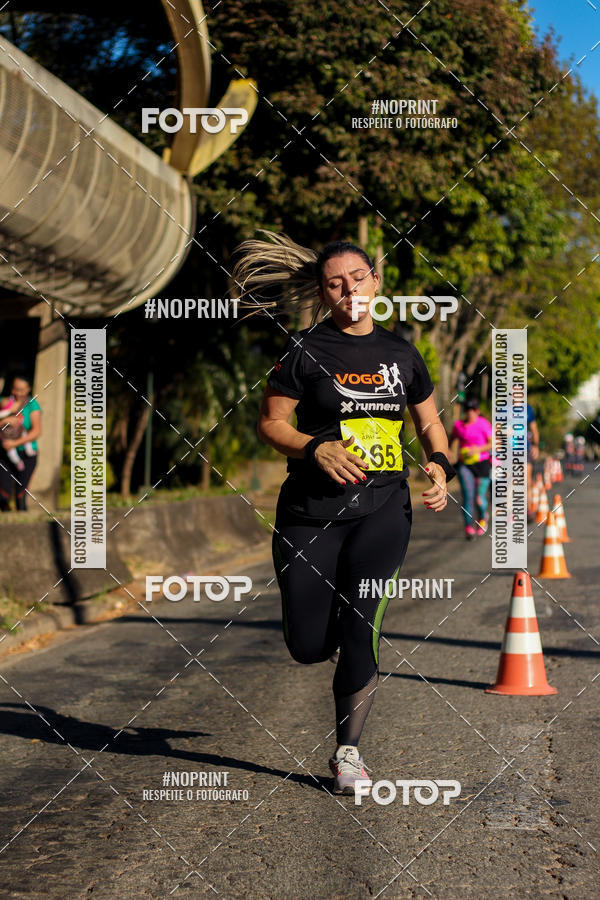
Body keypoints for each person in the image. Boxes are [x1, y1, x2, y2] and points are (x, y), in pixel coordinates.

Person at [234, 231, 455, 796]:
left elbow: (428, 420)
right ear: (323, 292)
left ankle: (348, 752)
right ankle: (324, 626)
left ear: (376, 282)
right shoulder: (304, 351)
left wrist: (438, 463)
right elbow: (271, 424)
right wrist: (315, 447)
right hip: (311, 513)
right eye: (335, 282)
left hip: (383, 508)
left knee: (363, 623)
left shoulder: (403, 354)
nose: (349, 289)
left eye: (358, 278)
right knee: (307, 645)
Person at [449, 398, 493, 540]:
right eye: (467, 410)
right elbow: (452, 438)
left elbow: (492, 444)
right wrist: (449, 452)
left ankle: (483, 517)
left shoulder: (484, 424)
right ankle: (468, 527)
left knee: (479, 498)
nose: (470, 413)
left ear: (477, 411)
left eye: (473, 410)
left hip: (482, 463)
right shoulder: (459, 425)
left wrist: (478, 449)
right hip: (464, 465)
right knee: (468, 496)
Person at [0, 376, 42, 511]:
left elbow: (36, 431)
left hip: (26, 453)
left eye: (22, 390)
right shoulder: (4, 402)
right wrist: (4, 421)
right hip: (5, 453)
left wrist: (14, 443)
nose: (18, 393)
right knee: (3, 493)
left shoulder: (32, 404)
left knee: (20, 493)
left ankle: (21, 520)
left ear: (28, 389)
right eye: (15, 389)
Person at [526, 402, 539, 512]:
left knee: (526, 481)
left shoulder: (528, 409)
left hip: (525, 449)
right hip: (509, 451)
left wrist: (535, 446)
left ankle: (527, 509)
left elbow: (534, 429)